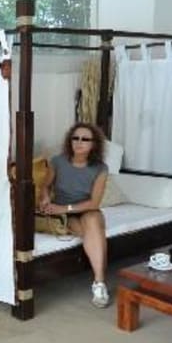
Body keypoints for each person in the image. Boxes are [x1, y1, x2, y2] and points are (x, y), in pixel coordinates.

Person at [39, 122, 111, 308]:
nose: (79, 142)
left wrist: (64, 208)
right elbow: (45, 186)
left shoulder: (100, 168)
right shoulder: (58, 161)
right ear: (70, 141)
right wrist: (45, 198)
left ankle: (99, 283)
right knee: (93, 234)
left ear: (93, 144)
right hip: (67, 215)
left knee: (93, 220)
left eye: (85, 139)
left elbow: (94, 203)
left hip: (86, 209)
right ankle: (100, 281)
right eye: (75, 138)